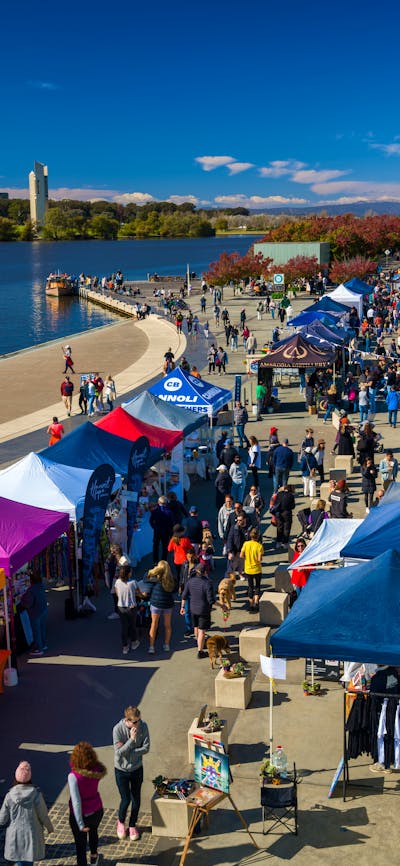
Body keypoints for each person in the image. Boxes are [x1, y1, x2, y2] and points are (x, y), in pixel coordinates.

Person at [0, 760, 53, 866]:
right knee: (29, 859)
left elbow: (2, 820)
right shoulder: (36, 795)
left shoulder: (9, 796)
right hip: (32, 834)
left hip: (15, 836)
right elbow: (43, 815)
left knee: (19, 860)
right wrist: (49, 827)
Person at [113, 706, 150, 841]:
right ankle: (121, 822)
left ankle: (132, 824)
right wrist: (131, 740)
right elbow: (119, 753)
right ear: (127, 721)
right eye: (135, 722)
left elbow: (146, 748)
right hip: (121, 770)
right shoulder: (118, 729)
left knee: (136, 800)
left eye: (139, 720)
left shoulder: (143, 726)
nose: (138, 724)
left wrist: (129, 751)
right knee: (125, 799)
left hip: (136, 769)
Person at [68, 741, 106, 866]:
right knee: (94, 832)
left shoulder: (73, 776)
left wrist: (80, 824)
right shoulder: (97, 770)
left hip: (81, 815)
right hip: (96, 810)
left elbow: (76, 801)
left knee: (81, 845)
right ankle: (94, 858)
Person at [180, 563, 214, 658]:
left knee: (196, 627)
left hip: (193, 609)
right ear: (205, 572)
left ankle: (198, 643)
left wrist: (182, 607)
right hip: (203, 610)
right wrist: (223, 606)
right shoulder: (207, 583)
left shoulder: (190, 581)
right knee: (202, 631)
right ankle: (200, 651)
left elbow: (184, 595)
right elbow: (211, 600)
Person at [145, 561, 175, 653]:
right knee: (167, 625)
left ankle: (151, 647)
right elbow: (174, 590)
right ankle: (166, 645)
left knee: (154, 625)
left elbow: (145, 578)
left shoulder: (154, 578)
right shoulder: (172, 579)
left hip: (156, 603)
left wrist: (154, 570)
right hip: (167, 604)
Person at [114, 563, 141, 654]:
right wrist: (143, 595)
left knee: (124, 627)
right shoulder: (133, 583)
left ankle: (125, 647)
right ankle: (134, 642)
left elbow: (117, 593)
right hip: (131, 608)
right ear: (128, 573)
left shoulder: (117, 582)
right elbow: (139, 593)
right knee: (133, 626)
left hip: (121, 607)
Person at [21, 572, 48, 656]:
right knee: (42, 628)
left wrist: (23, 600)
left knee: (36, 631)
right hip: (43, 609)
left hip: (35, 612)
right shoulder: (41, 585)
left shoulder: (31, 590)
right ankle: (43, 645)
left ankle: (39, 649)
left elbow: (28, 603)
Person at [240, 527, 263, 612]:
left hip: (248, 569)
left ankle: (251, 604)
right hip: (257, 569)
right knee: (257, 586)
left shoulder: (246, 544)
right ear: (258, 536)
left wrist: (248, 557)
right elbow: (259, 559)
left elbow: (241, 555)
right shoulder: (259, 546)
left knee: (250, 586)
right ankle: (257, 602)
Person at [149, 496, 174, 564]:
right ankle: (163, 561)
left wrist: (154, 527)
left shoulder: (155, 511)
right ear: (166, 503)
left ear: (158, 502)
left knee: (156, 546)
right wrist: (171, 533)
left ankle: (155, 561)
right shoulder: (169, 512)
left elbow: (151, 521)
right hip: (166, 532)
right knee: (165, 547)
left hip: (157, 531)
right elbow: (172, 523)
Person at [273, 484, 295, 549]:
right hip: (287, 512)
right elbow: (293, 506)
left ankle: (278, 542)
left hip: (279, 512)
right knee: (287, 528)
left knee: (279, 527)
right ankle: (285, 543)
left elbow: (275, 503)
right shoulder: (291, 495)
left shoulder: (279, 494)